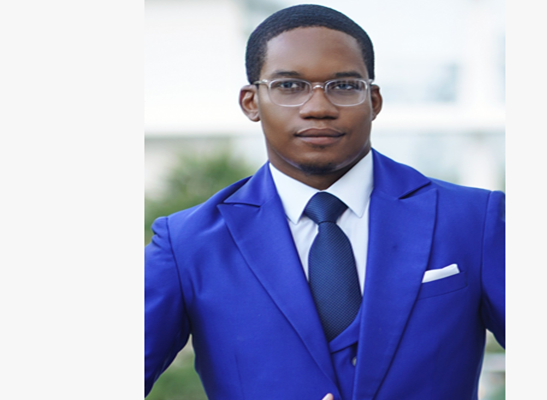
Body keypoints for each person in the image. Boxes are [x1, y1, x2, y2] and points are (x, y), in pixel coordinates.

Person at [145, 4, 505, 400]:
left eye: (344, 86)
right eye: (289, 86)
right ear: (251, 102)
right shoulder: (187, 243)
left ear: (374, 101)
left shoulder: (474, 221)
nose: (318, 108)